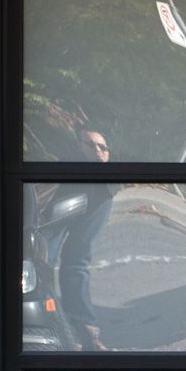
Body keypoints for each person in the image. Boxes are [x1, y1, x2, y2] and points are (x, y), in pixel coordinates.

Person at [56, 128, 115, 356]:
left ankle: (85, 332)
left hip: (97, 198)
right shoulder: (67, 171)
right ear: (78, 146)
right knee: (44, 260)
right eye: (91, 145)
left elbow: (78, 256)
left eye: (103, 147)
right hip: (65, 199)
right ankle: (62, 329)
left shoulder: (105, 187)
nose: (99, 151)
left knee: (77, 261)